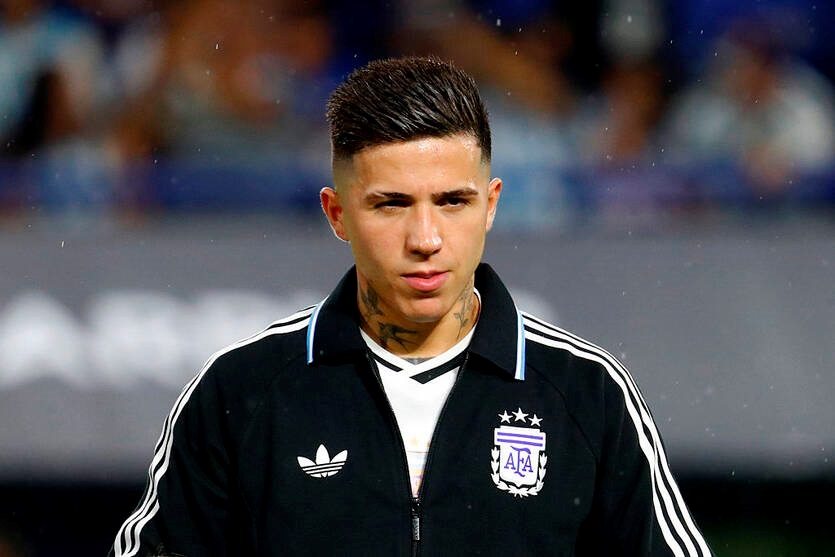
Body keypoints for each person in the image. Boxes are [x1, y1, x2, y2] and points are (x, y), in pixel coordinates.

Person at [111, 56, 713, 556]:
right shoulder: (240, 393)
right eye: (391, 204)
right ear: (337, 214)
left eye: (452, 202)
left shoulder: (588, 395)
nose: (426, 238)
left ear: (491, 206)